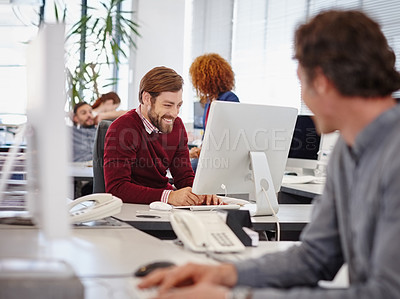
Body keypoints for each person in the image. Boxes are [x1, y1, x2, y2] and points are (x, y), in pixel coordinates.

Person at [138, 10, 400, 298]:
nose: (303, 96)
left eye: (301, 81)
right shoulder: (347, 152)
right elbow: (314, 257)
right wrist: (225, 275)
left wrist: (236, 296)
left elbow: (386, 293)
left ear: (322, 81)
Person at [103, 66, 220, 205]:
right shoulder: (123, 128)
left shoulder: (177, 125)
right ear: (146, 98)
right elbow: (117, 188)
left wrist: (202, 191)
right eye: (168, 105)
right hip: (132, 208)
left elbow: (184, 177)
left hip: (163, 207)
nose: (174, 113)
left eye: (178, 106)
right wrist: (169, 197)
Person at [188, 53, 239, 169]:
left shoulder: (229, 98)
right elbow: (208, 134)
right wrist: (200, 149)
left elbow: (227, 133)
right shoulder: (209, 101)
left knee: (191, 169)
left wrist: (204, 151)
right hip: (209, 153)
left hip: (221, 155)